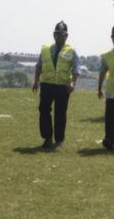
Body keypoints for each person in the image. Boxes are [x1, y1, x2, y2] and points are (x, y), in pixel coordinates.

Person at [31, 21, 79, 149]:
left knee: (60, 113)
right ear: (54, 35)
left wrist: (73, 83)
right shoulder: (45, 49)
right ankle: (47, 138)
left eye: (62, 35)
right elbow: (39, 66)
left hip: (63, 86)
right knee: (44, 111)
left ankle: (59, 140)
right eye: (57, 34)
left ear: (66, 36)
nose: (60, 37)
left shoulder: (71, 51)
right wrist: (35, 81)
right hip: (46, 85)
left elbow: (76, 70)